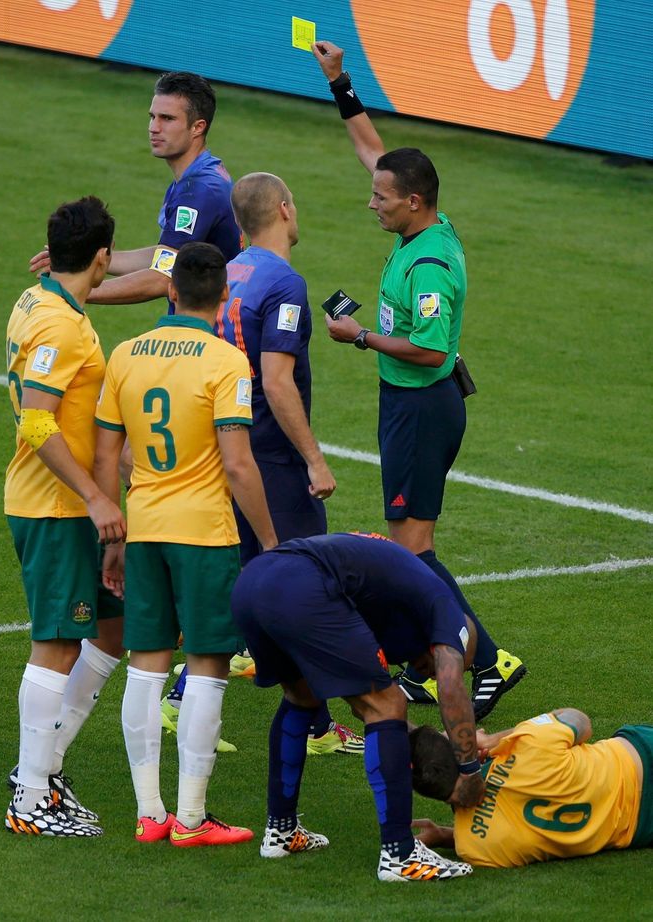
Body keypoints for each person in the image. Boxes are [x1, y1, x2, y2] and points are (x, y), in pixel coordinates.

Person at [312, 40, 525, 717]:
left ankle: (487, 659)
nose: (369, 203)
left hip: (423, 406)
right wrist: (341, 83)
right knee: (408, 546)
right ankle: (431, 660)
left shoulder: (430, 267)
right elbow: (370, 149)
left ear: (413, 201)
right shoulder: (420, 227)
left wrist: (361, 336)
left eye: (381, 198)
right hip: (406, 403)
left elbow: (431, 352)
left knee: (412, 549)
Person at [163, 172, 364, 756]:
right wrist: (315, 460)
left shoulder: (232, 272)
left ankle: (313, 724)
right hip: (270, 457)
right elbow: (277, 382)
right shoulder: (284, 282)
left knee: (249, 578)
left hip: (228, 444)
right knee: (301, 585)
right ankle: (184, 698)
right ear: (283, 209)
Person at [93, 242, 277, 846]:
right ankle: (192, 818)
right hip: (203, 534)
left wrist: (113, 529)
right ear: (223, 296)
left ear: (170, 291)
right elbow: (239, 466)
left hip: (142, 527)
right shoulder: (226, 362)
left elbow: (108, 454)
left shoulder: (125, 354)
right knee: (207, 665)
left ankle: (150, 815)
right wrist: (271, 543)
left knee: (145, 664)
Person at [229, 530, 517, 881]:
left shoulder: (388, 610)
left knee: (301, 696)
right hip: (301, 583)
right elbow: (451, 685)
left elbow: (360, 706)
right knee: (390, 702)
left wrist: (419, 739)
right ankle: (400, 854)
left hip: (253, 583)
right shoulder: (450, 615)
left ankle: (282, 831)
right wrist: (469, 770)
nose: (428, 672)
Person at [4, 196, 126, 837]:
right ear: (102, 257)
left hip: (60, 501)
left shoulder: (39, 301)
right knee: (54, 643)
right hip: (54, 504)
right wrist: (95, 496)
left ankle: (43, 773)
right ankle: (30, 797)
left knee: (111, 630)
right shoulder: (61, 325)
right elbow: (37, 418)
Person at [30, 71, 241, 309]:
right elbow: (169, 255)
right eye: (152, 116)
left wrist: (73, 289)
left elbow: (162, 278)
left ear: (197, 127)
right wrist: (94, 262)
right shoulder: (201, 175)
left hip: (216, 333)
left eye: (167, 119)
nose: (154, 127)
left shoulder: (198, 189)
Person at [410, 710, 653, 867]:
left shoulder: (472, 847)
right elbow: (580, 721)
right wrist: (495, 740)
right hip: (642, 756)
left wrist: (443, 835)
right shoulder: (530, 745)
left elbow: (502, 826)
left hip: (642, 828)